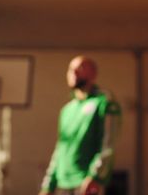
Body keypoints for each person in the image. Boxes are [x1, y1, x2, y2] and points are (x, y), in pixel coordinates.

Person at [39, 56, 121, 195]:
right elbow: (60, 148)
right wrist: (48, 184)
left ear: (94, 74)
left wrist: (95, 177)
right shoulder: (67, 110)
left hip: (85, 182)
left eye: (81, 68)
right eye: (71, 69)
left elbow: (108, 144)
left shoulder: (104, 102)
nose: (74, 72)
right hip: (62, 183)